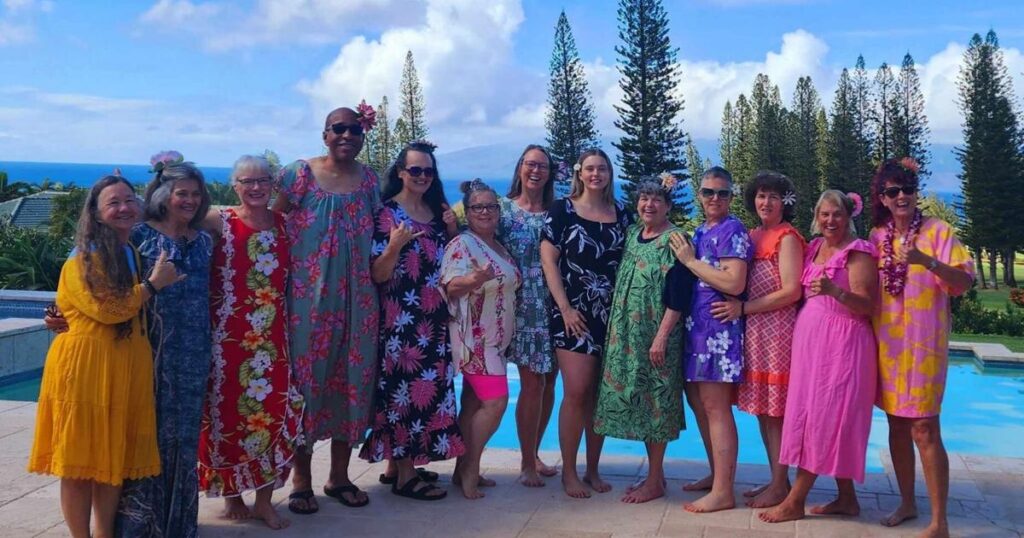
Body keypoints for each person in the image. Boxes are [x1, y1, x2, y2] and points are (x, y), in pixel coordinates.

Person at [28, 175, 180, 538]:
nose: (124, 207)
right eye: (113, 202)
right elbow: (108, 309)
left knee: (112, 461)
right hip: (86, 368)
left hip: (122, 366)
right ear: (96, 213)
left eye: (129, 199)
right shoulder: (85, 256)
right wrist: (153, 284)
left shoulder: (129, 252)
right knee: (79, 465)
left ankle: (104, 534)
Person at [272, 105, 380, 514]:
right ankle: (301, 480)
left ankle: (339, 476)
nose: (347, 135)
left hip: (360, 300)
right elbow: (271, 224)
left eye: (354, 129)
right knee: (307, 385)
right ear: (325, 134)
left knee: (352, 382)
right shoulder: (298, 175)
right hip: (309, 303)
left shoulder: (369, 180)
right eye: (339, 128)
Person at [197, 155, 304, 530]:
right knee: (226, 416)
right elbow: (169, 218)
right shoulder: (218, 220)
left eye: (263, 181)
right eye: (247, 181)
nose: (256, 187)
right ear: (235, 186)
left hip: (273, 340)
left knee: (273, 413)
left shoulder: (286, 224)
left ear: (273, 185)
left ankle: (263, 500)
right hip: (226, 341)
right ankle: (231, 496)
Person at [760, 190, 879, 524]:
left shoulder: (858, 252)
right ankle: (847, 499)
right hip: (813, 349)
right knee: (818, 416)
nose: (830, 220)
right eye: (824, 214)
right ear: (816, 216)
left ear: (848, 217)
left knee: (825, 419)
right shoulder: (813, 248)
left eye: (837, 214)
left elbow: (868, 306)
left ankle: (795, 501)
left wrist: (835, 291)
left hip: (843, 347)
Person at [870, 158, 974, 538]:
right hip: (888, 346)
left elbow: (964, 282)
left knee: (925, 428)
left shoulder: (938, 232)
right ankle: (907, 503)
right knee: (897, 425)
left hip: (925, 348)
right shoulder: (877, 238)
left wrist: (925, 261)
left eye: (908, 189)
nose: (902, 196)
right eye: (893, 191)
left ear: (916, 193)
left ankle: (939, 522)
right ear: (883, 198)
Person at [117, 155, 214, 538]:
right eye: (181, 193)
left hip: (194, 352)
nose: (190, 200)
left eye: (196, 194)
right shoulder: (140, 236)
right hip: (150, 350)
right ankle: (140, 526)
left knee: (184, 440)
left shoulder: (204, 241)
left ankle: (178, 525)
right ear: (163, 195)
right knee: (147, 436)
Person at [359, 142, 462, 501]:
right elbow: (378, 273)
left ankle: (396, 466)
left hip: (433, 320)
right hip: (401, 321)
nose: (422, 176)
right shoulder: (386, 214)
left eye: (428, 171)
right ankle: (406, 476)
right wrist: (394, 246)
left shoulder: (437, 213)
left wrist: (452, 230)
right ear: (401, 172)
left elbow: (453, 260)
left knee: (428, 392)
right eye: (415, 170)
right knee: (403, 394)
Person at [593, 177, 695, 504]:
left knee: (656, 402)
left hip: (657, 334)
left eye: (657, 200)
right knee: (637, 399)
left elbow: (679, 295)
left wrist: (661, 336)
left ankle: (653, 481)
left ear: (668, 206)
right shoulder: (633, 234)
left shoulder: (675, 240)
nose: (649, 205)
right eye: (644, 199)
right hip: (627, 334)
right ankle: (656, 475)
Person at [540, 148, 632, 498]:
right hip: (574, 315)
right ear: (580, 173)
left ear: (609, 173)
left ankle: (593, 469)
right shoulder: (562, 210)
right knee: (576, 392)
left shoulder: (622, 213)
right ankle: (569, 472)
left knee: (599, 395)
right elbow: (549, 262)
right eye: (590, 168)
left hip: (612, 316)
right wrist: (565, 309)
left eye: (602, 169)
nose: (596, 174)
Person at [711, 171, 805, 508]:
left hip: (778, 331)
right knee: (765, 411)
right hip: (756, 331)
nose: (766, 202)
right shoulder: (753, 235)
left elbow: (792, 291)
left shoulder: (787, 237)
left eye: (773, 197)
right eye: (761, 196)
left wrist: (743, 308)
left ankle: (780, 485)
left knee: (776, 412)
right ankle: (777, 479)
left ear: (785, 202)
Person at [669, 166, 751, 513]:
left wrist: (689, 261)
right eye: (708, 192)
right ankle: (718, 476)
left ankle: (723, 491)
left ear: (731, 196)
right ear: (699, 195)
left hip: (717, 333)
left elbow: (734, 282)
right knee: (701, 405)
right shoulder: (702, 230)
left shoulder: (732, 229)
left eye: (722, 192)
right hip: (697, 332)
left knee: (716, 408)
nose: (714, 198)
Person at [442, 179, 522, 499]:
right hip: (476, 341)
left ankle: (461, 469)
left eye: (491, 206)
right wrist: (474, 279)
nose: (485, 212)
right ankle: (471, 470)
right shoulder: (462, 244)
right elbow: (450, 287)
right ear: (468, 211)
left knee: (473, 405)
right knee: (496, 403)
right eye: (478, 207)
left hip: (497, 341)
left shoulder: (498, 245)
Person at [498, 144, 560, 487]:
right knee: (533, 383)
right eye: (530, 164)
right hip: (522, 307)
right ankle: (526, 463)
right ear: (520, 167)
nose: (536, 171)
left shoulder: (557, 211)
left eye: (543, 166)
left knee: (549, 382)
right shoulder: (503, 210)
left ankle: (533, 453)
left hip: (555, 304)